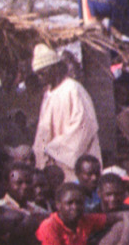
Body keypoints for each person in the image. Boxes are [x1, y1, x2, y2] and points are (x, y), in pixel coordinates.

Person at [30, 46, 101, 175]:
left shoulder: (73, 89)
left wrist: (53, 150)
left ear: (55, 68)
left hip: (72, 166)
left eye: (43, 72)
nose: (40, 77)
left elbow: (83, 127)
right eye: (38, 74)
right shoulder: (48, 95)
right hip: (52, 167)